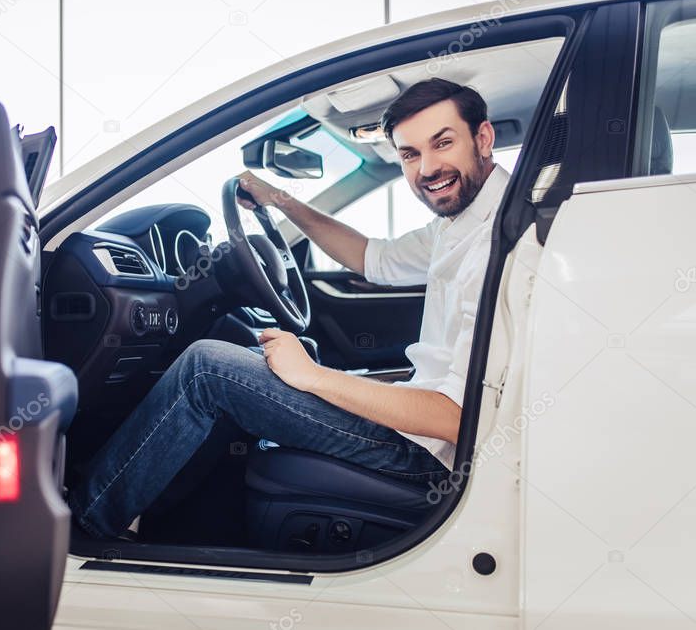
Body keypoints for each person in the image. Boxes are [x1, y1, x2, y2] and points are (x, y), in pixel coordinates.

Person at [69, 78, 510, 539]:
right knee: (259, 363)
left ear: (483, 138)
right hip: (424, 437)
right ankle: (161, 520)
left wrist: (315, 378)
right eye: (410, 154)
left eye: (443, 143)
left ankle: (84, 527)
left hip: (426, 458)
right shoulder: (462, 222)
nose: (428, 168)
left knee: (207, 368)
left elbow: (456, 418)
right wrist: (278, 199)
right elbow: (369, 257)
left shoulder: (497, 244)